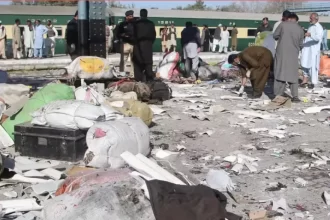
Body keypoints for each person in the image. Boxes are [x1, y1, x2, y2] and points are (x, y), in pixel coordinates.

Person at [273, 13, 304, 103]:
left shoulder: (282, 25)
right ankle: (295, 96)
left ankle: (278, 94)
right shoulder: (300, 29)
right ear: (296, 20)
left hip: (281, 53)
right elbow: (301, 44)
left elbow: (275, 36)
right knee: (293, 75)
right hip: (294, 54)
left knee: (280, 72)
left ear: (289, 18)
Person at [300, 12, 324, 89]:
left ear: (316, 19)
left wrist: (310, 35)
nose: (310, 19)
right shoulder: (310, 26)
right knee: (304, 64)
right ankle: (305, 81)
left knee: (312, 66)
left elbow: (318, 38)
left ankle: (312, 82)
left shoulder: (319, 27)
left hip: (313, 50)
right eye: (310, 18)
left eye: (311, 18)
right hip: (307, 48)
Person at [132, 9, 156, 82]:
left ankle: (138, 79)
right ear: (146, 14)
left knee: (137, 62)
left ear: (140, 14)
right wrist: (150, 42)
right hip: (148, 44)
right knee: (148, 62)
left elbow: (133, 34)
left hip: (138, 44)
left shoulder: (136, 23)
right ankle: (149, 79)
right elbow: (154, 35)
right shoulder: (151, 23)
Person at [117, 10, 135, 75]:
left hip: (133, 44)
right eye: (130, 16)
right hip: (125, 44)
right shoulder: (122, 24)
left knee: (133, 60)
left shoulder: (135, 24)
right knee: (123, 59)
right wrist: (124, 35)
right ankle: (121, 72)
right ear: (126, 17)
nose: (131, 17)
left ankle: (132, 73)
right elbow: (118, 34)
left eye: (132, 16)